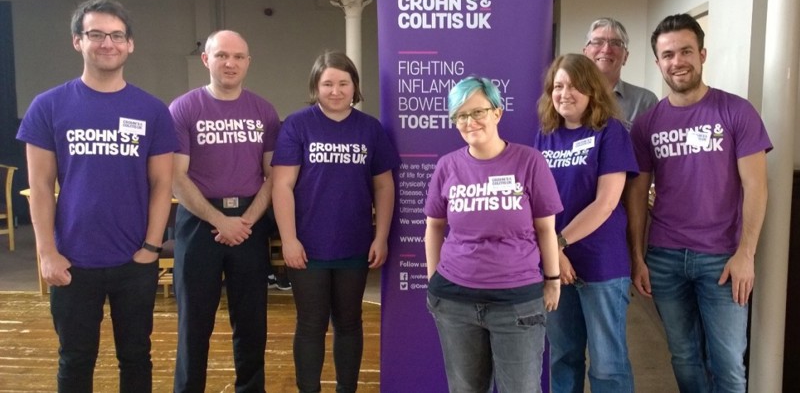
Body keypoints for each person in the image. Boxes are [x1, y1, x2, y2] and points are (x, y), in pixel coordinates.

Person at [16, 0, 177, 392]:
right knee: (75, 359)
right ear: (78, 41)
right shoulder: (47, 106)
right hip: (72, 262)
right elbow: (38, 186)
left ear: (130, 44)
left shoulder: (152, 110)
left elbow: (162, 183)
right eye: (96, 34)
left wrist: (151, 248)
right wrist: (47, 253)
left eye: (117, 35)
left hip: (134, 261)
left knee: (136, 356)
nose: (108, 43)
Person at [626, 13, 771, 393]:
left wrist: (747, 254)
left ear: (703, 54)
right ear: (658, 62)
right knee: (684, 357)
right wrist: (638, 257)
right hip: (665, 257)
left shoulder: (736, 112)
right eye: (668, 54)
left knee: (727, 363)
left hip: (723, 259)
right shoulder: (647, 124)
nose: (678, 62)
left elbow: (756, 186)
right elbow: (638, 194)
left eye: (686, 51)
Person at [423, 76, 563, 393]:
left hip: (517, 302)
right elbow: (433, 227)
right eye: (460, 115)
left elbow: (546, 228)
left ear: (497, 112)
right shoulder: (448, 166)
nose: (469, 121)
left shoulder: (529, 161)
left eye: (477, 112)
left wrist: (552, 280)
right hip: (455, 301)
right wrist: (434, 280)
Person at [271, 51, 399, 393]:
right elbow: (281, 185)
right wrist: (289, 239)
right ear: (316, 86)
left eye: (344, 83)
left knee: (349, 324)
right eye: (327, 83)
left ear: (355, 86)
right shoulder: (298, 125)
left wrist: (381, 236)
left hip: (355, 245)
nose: (336, 90)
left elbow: (385, 185)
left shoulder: (370, 128)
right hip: (307, 247)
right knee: (310, 325)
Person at [169, 30, 281, 393]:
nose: (230, 63)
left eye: (238, 57)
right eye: (221, 56)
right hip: (199, 223)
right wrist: (220, 221)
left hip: (250, 222)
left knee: (251, 320)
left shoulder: (264, 110)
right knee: (194, 321)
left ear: (248, 62)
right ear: (206, 60)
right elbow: (176, 177)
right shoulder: (184, 108)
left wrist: (246, 221)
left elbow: (273, 175)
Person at [534, 54, 638, 393]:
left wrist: (558, 244)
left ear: (592, 90)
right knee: (563, 357)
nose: (566, 93)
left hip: (601, 264)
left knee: (608, 363)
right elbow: (535, 203)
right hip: (555, 265)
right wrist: (554, 253)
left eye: (575, 85)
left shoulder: (610, 132)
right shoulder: (545, 136)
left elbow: (606, 203)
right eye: (558, 86)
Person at [583, 17, 658, 128]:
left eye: (615, 43)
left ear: (625, 57)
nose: (606, 49)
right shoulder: (569, 97)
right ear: (585, 53)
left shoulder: (645, 102)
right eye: (598, 42)